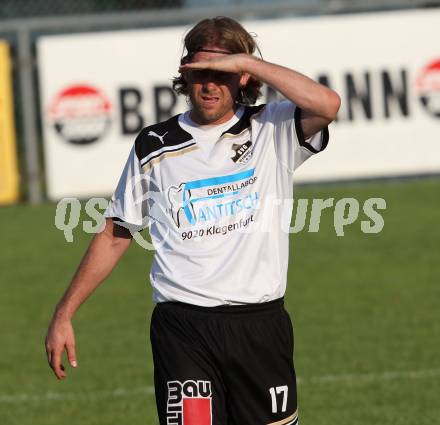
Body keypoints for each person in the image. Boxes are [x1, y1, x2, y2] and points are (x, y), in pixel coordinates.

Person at [45, 16, 340, 425]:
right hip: (183, 328)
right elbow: (117, 232)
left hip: (260, 325)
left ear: (241, 77)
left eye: (221, 74)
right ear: (185, 76)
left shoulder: (272, 128)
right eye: (200, 73)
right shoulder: (154, 145)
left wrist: (248, 63)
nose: (209, 85)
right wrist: (65, 312)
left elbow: (328, 105)